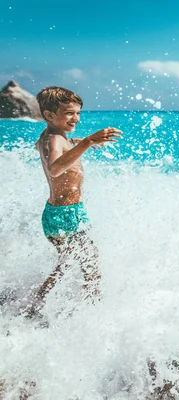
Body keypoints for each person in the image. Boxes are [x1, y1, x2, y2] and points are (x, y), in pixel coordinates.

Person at [26, 86, 122, 317]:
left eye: (78, 113)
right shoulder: (53, 140)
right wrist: (87, 141)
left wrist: (74, 142)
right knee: (90, 263)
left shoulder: (51, 137)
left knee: (66, 263)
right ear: (49, 115)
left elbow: (44, 147)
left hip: (61, 212)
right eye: (69, 113)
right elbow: (56, 169)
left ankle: (36, 306)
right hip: (66, 214)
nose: (75, 118)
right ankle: (95, 310)